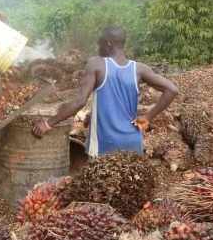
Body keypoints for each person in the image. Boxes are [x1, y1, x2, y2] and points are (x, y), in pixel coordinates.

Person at [32, 26, 179, 157]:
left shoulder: (96, 64)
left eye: (100, 42)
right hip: (132, 142)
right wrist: (147, 117)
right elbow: (172, 90)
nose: (98, 46)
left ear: (108, 43)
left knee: (101, 186)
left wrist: (47, 123)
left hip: (105, 143)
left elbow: (79, 102)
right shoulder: (139, 69)